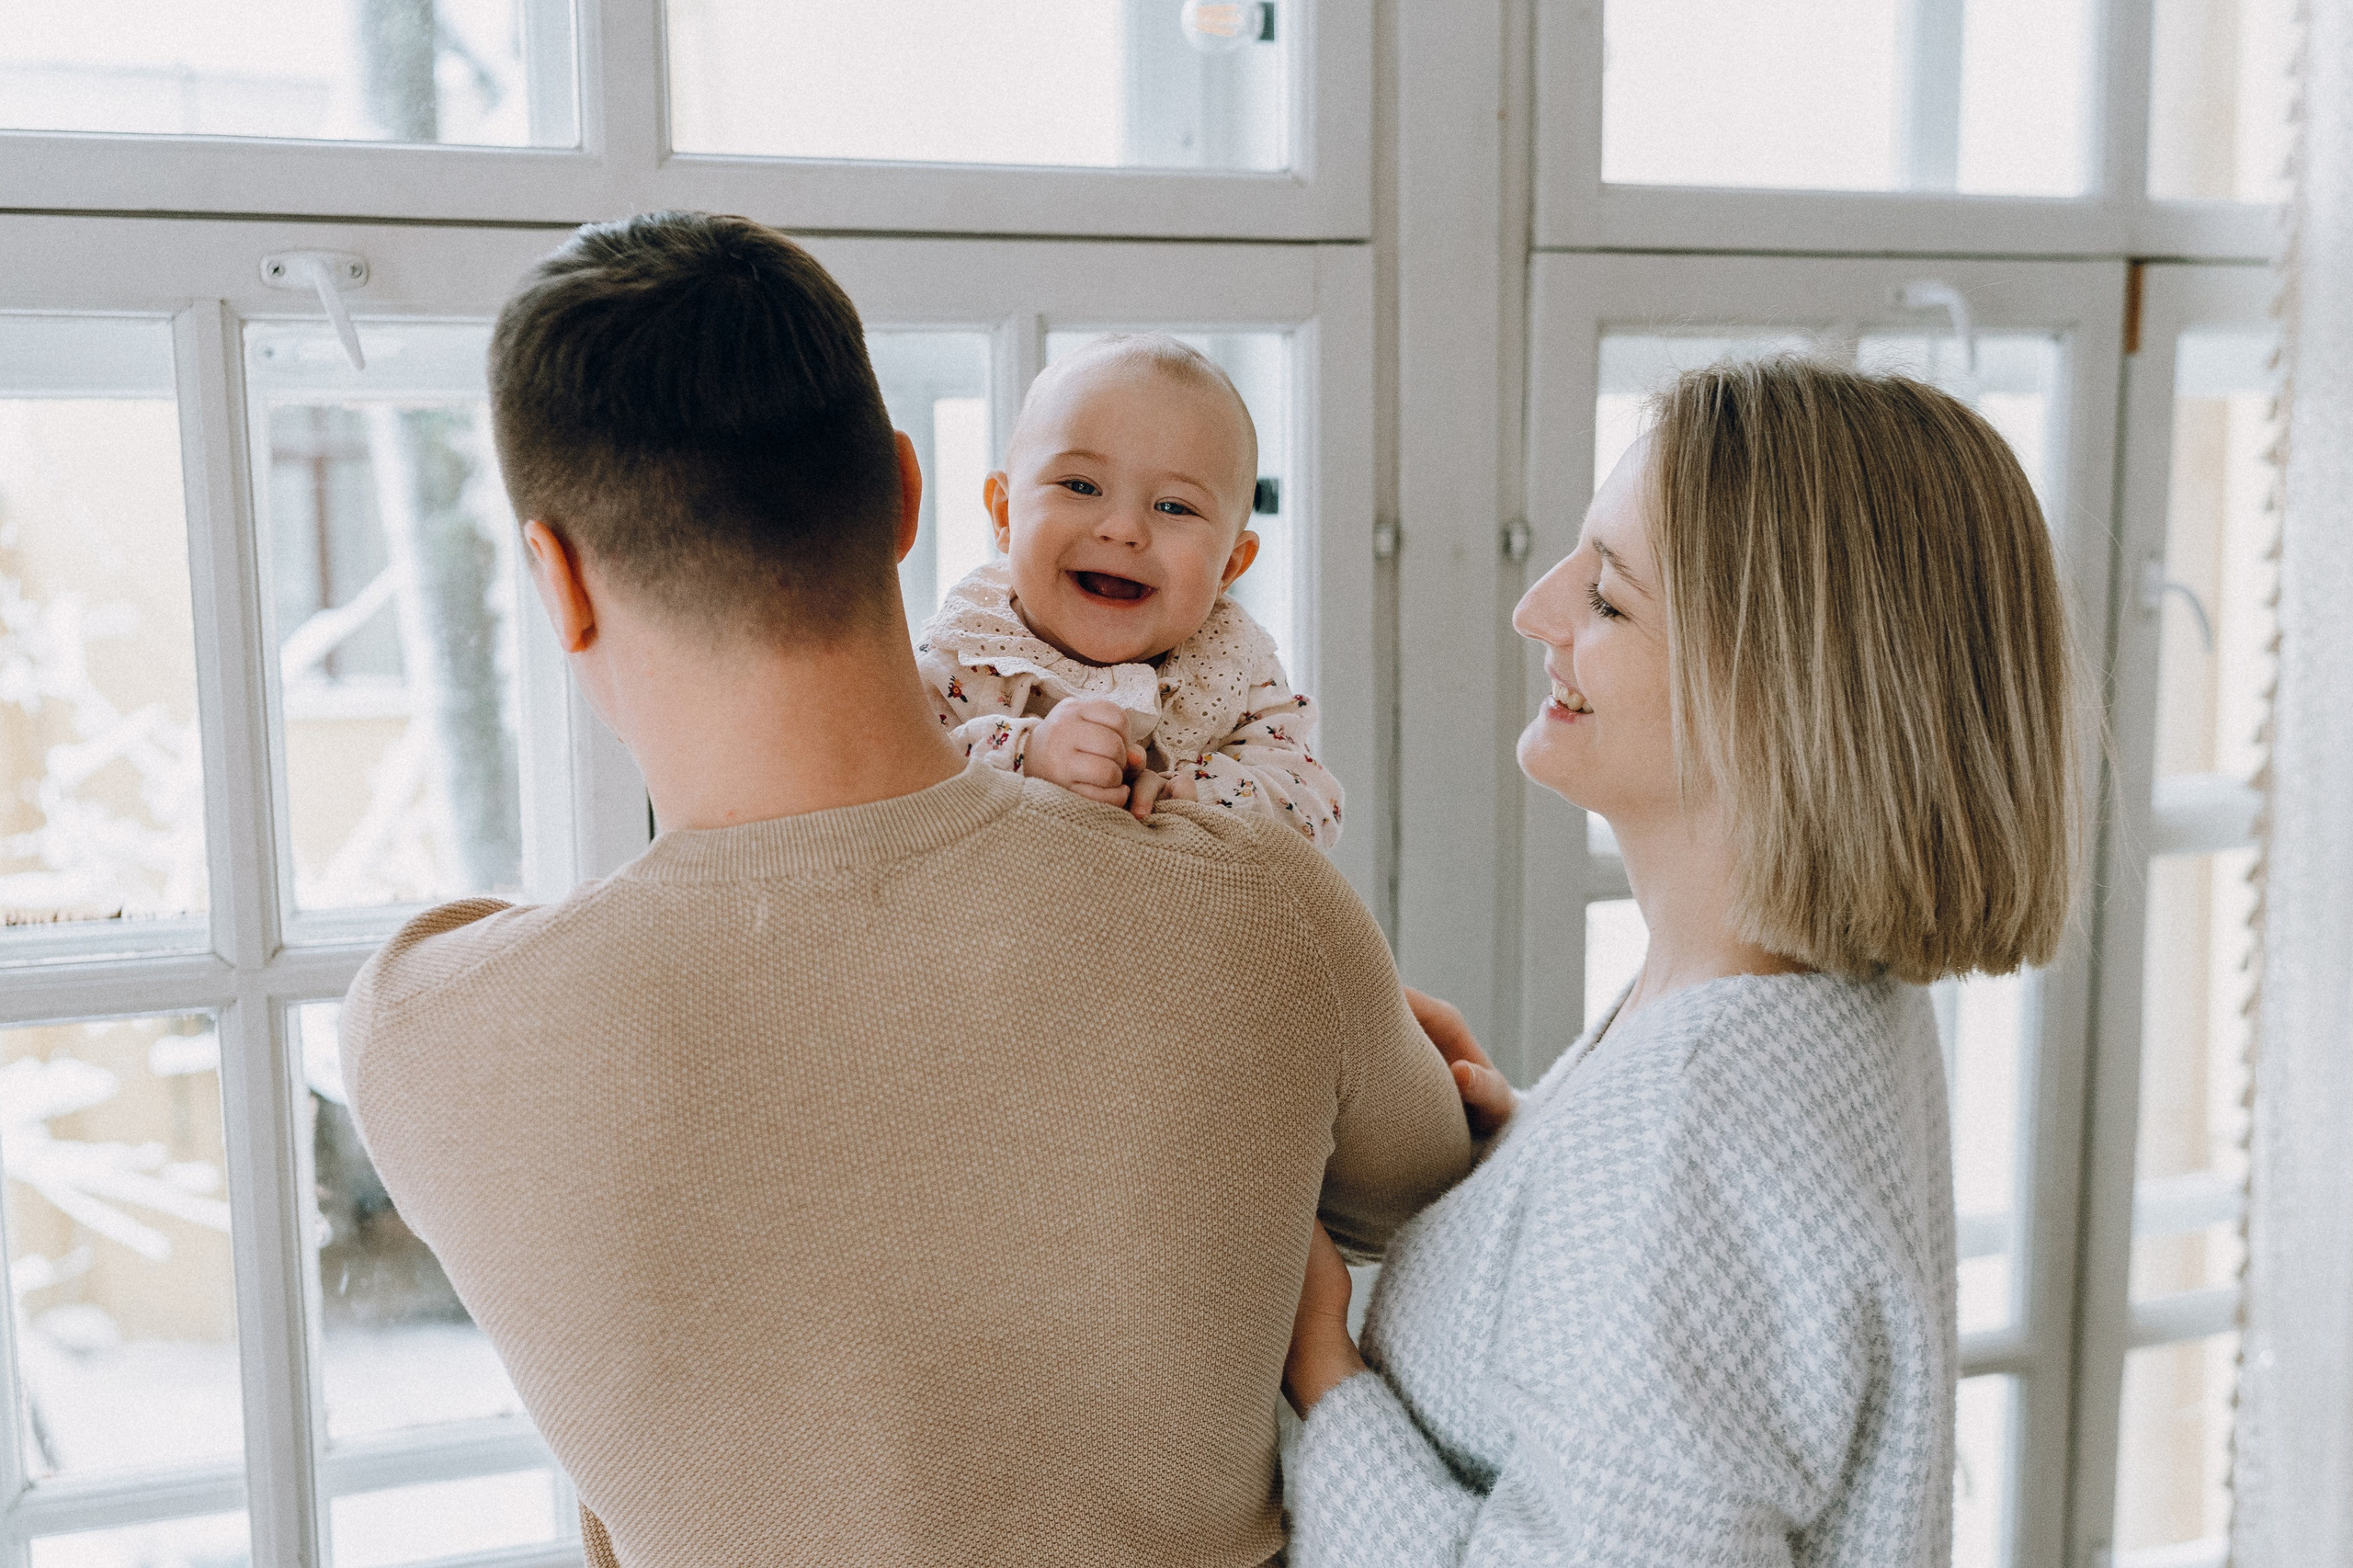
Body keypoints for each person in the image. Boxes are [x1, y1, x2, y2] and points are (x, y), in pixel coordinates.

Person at [337, 210, 1474, 1568]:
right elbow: (1428, 1189)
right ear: (907, 495)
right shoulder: (1257, 908)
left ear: (559, 578)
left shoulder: (426, 1031)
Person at [1280, 358, 2081, 1565]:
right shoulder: (1813, 1005)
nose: (1537, 610)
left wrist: (1329, 1385)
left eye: (1606, 600)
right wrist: (1529, 1163)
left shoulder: (1701, 1120)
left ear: (1774, 686)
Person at [917, 333, 1341, 846]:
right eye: (1080, 486)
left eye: (1174, 507)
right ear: (1006, 515)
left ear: (1229, 567)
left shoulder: (1232, 663)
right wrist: (1029, 755)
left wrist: (1194, 793)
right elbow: (900, 784)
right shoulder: (971, 650)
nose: (1122, 529)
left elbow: (1313, 807)